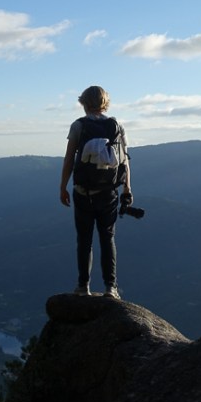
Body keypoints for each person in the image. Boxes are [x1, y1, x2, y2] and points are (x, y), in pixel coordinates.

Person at [59, 85, 131, 298]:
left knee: (85, 240)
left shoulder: (79, 126)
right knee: (107, 238)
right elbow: (124, 160)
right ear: (105, 103)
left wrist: (62, 186)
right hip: (108, 193)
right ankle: (111, 287)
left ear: (84, 103)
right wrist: (127, 188)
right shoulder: (117, 126)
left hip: (83, 192)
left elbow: (69, 158)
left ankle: (83, 286)